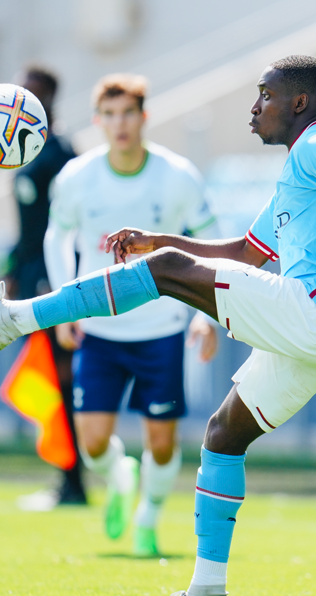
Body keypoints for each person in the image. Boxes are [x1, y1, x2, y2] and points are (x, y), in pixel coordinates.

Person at [0, 54, 316, 596]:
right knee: (223, 434)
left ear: (300, 103)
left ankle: (10, 318)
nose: (255, 106)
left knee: (165, 274)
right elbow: (244, 253)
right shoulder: (296, 172)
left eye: (265, 94)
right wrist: (158, 239)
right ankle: (208, 593)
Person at [42, 73, 219, 556]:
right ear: (98, 121)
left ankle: (149, 517)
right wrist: (66, 305)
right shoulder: (77, 177)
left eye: (128, 114)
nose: (120, 124)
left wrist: (206, 313)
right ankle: (122, 476)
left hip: (160, 328)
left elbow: (209, 240)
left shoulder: (177, 174)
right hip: (98, 330)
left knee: (162, 443)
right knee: (93, 444)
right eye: (110, 115)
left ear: (144, 118)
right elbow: (56, 237)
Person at [5, 64, 86, 511]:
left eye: (33, 95)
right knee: (52, 377)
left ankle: (74, 481)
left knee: (64, 376)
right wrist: (13, 268)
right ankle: (67, 477)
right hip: (32, 277)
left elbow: (67, 227)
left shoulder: (61, 156)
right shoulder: (21, 152)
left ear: (50, 101)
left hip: (57, 279)